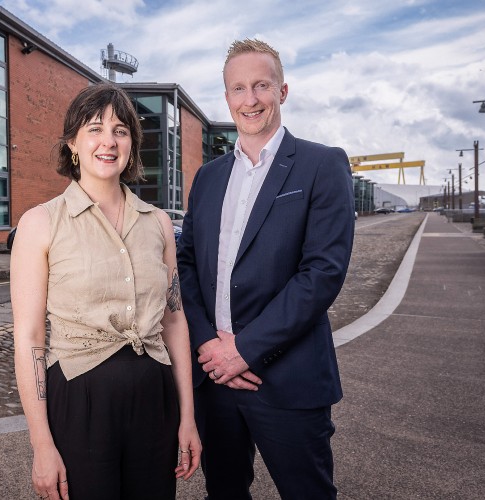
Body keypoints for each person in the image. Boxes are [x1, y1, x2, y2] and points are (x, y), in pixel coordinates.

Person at [177, 39, 355, 498]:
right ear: (227, 98)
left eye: (261, 85)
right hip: (214, 378)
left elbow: (322, 273)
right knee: (225, 492)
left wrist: (245, 350)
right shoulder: (209, 176)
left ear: (283, 90)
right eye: (238, 88)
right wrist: (210, 348)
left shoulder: (322, 164)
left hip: (287, 379)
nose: (250, 99)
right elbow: (187, 264)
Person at [11, 83, 201, 500]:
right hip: (79, 402)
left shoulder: (159, 224)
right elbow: (29, 339)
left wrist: (188, 416)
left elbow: (174, 320)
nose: (108, 141)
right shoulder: (41, 223)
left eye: (121, 130)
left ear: (132, 144)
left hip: (154, 399)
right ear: (72, 143)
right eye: (95, 128)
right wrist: (42, 445)